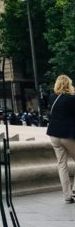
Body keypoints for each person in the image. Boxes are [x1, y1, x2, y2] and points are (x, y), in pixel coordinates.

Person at [46, 74, 75, 203]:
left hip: (54, 135)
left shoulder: (52, 98)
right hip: (67, 135)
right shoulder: (72, 99)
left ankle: (67, 195)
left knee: (62, 164)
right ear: (69, 84)